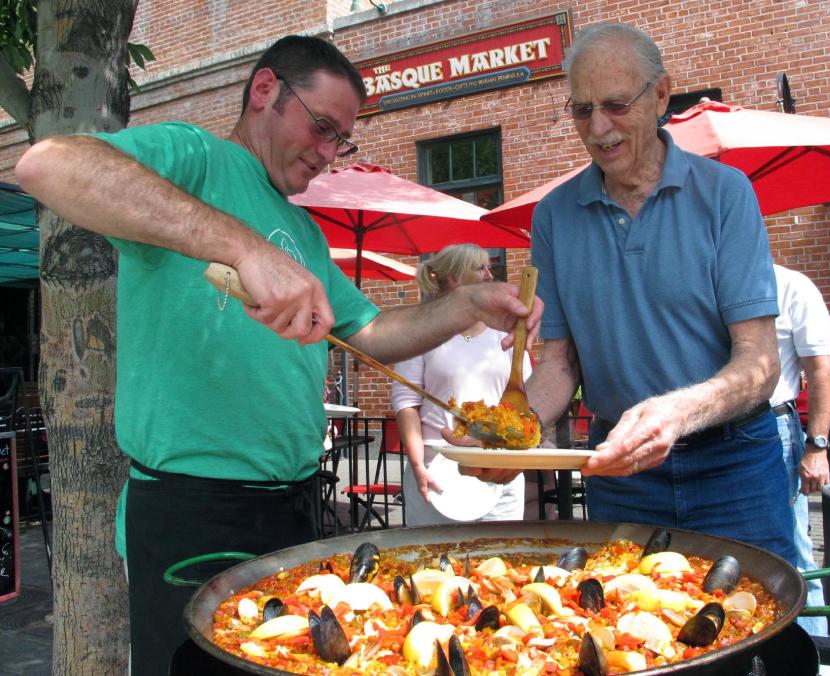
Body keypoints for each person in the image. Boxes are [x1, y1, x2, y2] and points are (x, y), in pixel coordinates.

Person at [15, 36, 541, 674]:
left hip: (293, 505)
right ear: (265, 90)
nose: (327, 154)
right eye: (321, 127)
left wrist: (466, 307)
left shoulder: (306, 232)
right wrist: (244, 249)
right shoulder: (194, 156)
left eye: (340, 140)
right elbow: (47, 166)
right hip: (193, 510)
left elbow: (369, 332)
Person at [471, 22, 796, 563]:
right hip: (620, 473)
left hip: (733, 465)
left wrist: (674, 415)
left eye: (617, 105)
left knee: (753, 627)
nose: (598, 128)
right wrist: (514, 434)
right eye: (582, 110)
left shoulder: (725, 195)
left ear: (662, 96)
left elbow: (761, 365)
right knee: (626, 630)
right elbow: (560, 366)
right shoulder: (554, 215)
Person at [391, 244, 532, 526]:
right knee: (430, 564)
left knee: (500, 563)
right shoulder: (422, 333)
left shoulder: (506, 335)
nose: (490, 276)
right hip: (436, 470)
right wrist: (418, 465)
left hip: (498, 468)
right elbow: (406, 402)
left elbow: (528, 398)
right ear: (455, 278)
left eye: (490, 267)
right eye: (480, 268)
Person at [771, 264, 830, 636]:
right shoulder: (709, 282)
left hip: (775, 426)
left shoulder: (792, 286)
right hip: (716, 436)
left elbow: (821, 372)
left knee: (793, 549)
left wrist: (817, 447)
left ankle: (815, 652)